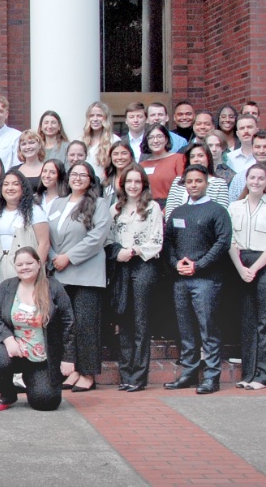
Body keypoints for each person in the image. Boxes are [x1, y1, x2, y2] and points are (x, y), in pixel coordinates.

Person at [162, 165, 232, 395]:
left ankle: (212, 377)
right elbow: (168, 243)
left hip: (207, 280)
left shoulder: (217, 211)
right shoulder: (178, 212)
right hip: (180, 280)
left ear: (206, 183)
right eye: (189, 181)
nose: (194, 185)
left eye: (198, 181)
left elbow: (222, 243)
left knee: (208, 328)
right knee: (185, 329)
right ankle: (189, 373)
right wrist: (175, 264)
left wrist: (199, 265)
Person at [0, 247, 73, 411]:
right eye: (20, 264)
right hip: (13, 349)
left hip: (41, 356)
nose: (25, 267)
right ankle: (7, 393)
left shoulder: (53, 287)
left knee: (46, 402)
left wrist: (68, 357)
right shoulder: (6, 287)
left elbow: (68, 322)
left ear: (39, 263)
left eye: (29, 263)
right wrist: (9, 340)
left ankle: (32, 380)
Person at [45, 163, 110, 392]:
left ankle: (87, 373)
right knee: (66, 325)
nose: (78, 178)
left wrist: (68, 258)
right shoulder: (58, 203)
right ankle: (70, 370)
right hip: (59, 273)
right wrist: (54, 257)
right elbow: (47, 235)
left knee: (85, 325)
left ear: (91, 180)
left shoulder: (100, 204)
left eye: (84, 175)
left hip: (86, 273)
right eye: (74, 174)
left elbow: (97, 238)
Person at [227, 164, 266, 390]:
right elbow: (230, 240)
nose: (256, 181)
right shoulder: (235, 207)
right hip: (241, 262)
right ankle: (248, 373)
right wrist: (242, 268)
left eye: (261, 178)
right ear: (246, 179)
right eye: (252, 177)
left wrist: (256, 268)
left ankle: (262, 375)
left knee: (265, 320)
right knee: (248, 320)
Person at [110, 166, 162, 392]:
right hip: (121, 268)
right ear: (123, 185)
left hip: (143, 266)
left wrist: (132, 251)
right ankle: (126, 374)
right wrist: (117, 252)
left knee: (141, 322)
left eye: (137, 182)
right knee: (124, 321)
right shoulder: (115, 209)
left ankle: (138, 377)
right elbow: (108, 239)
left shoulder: (152, 208)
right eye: (129, 181)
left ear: (144, 184)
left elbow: (157, 241)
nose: (133, 186)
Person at [140, 124, 186, 200]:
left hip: (172, 204)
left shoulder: (178, 159)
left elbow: (182, 188)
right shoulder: (142, 166)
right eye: (151, 137)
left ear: (166, 139)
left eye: (159, 136)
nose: (155, 141)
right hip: (148, 206)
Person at [81, 102, 119, 178]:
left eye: (99, 116)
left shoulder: (114, 140)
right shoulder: (81, 140)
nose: (95, 119)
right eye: (92, 116)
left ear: (106, 118)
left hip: (106, 183)